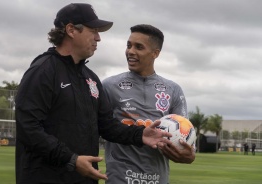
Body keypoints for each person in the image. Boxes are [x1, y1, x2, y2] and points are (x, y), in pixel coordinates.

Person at [15, 4, 171, 184]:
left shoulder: (91, 79)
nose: (98, 38)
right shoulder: (42, 71)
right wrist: (71, 159)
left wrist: (141, 135)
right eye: (94, 31)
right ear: (71, 30)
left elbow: (108, 126)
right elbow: (28, 128)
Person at [102, 24, 195, 184]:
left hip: (157, 180)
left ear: (155, 53)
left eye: (139, 47)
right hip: (119, 179)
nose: (130, 51)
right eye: (129, 45)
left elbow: (184, 141)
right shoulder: (109, 86)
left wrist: (188, 155)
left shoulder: (173, 90)